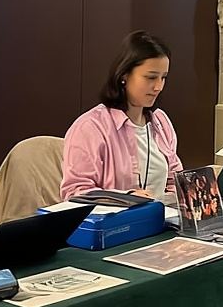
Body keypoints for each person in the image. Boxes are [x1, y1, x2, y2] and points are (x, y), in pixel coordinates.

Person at [61, 31, 184, 204]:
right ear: (124, 75)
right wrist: (126, 197)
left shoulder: (160, 122)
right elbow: (75, 192)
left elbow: (175, 181)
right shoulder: (91, 127)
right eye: (151, 77)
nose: (159, 87)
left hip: (159, 217)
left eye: (163, 78)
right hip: (114, 220)